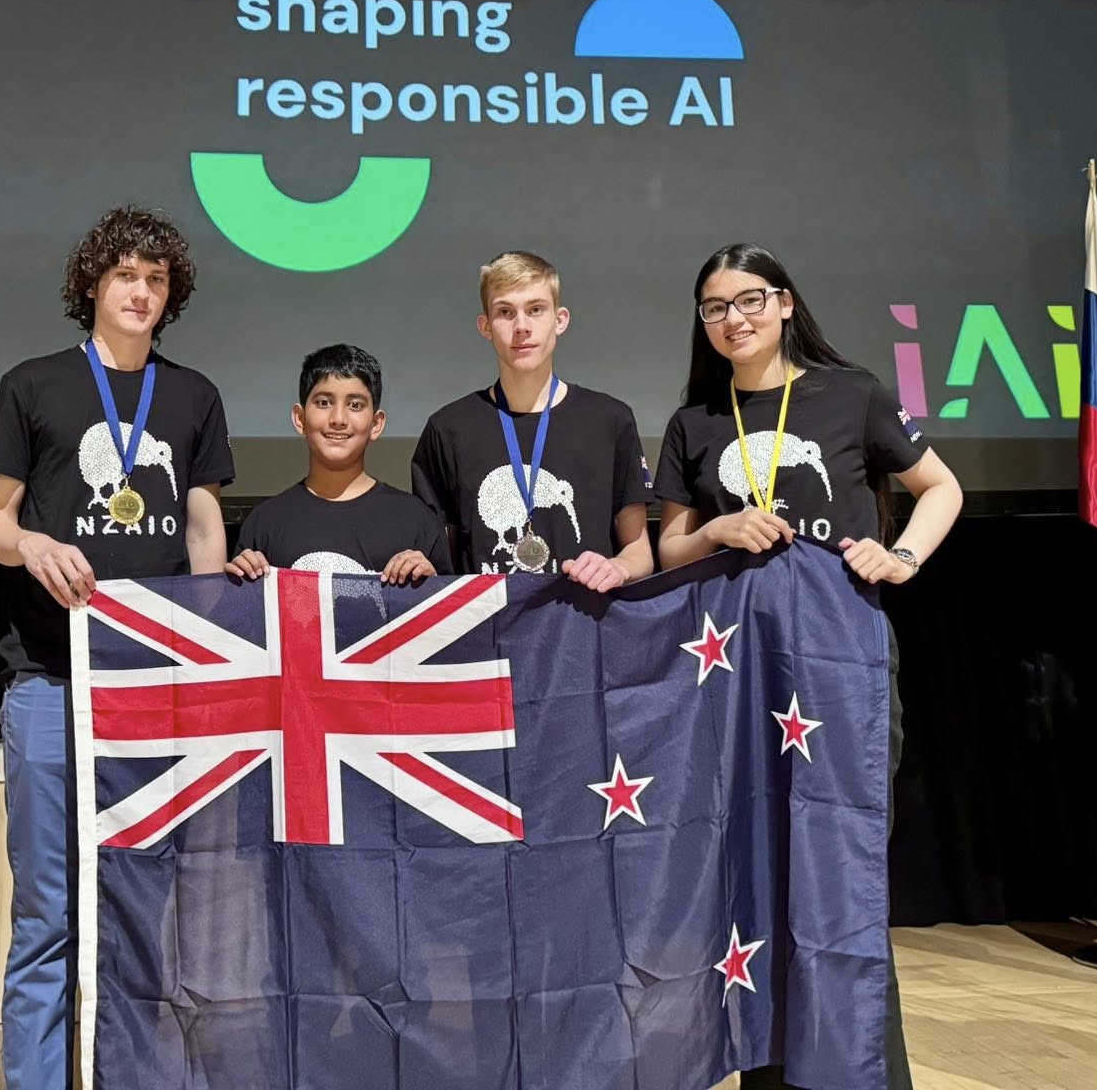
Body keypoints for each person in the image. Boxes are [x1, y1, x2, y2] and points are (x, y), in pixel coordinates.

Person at [652, 242, 962, 1090]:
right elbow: (667, 548)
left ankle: (862, 1070)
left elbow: (943, 488)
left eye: (749, 299)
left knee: (840, 870)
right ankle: (769, 1070)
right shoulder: (696, 423)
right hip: (734, 674)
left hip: (838, 661)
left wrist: (900, 556)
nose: (733, 319)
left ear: (785, 303)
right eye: (714, 307)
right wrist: (716, 531)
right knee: (752, 873)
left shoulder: (850, 392)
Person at [0, 206, 235, 1090]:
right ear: (93, 284)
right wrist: (35, 545)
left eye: (158, 280)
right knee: (48, 913)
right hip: (50, 682)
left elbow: (203, 526)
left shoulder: (193, 395)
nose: (142, 291)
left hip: (155, 692)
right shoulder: (34, 384)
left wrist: (209, 646)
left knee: (149, 905)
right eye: (126, 274)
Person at [412, 250, 653, 589]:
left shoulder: (610, 420)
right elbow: (438, 560)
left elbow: (639, 550)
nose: (522, 326)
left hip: (580, 626)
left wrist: (619, 568)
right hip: (486, 633)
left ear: (560, 320)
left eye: (536, 309)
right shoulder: (448, 429)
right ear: (485, 326)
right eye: (505, 312)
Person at [225, 343, 451, 583]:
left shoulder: (417, 521)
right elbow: (240, 616)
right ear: (300, 418)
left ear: (376, 424)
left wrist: (432, 584)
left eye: (355, 405)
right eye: (324, 402)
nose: (338, 419)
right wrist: (240, 583)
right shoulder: (265, 523)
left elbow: (455, 613)